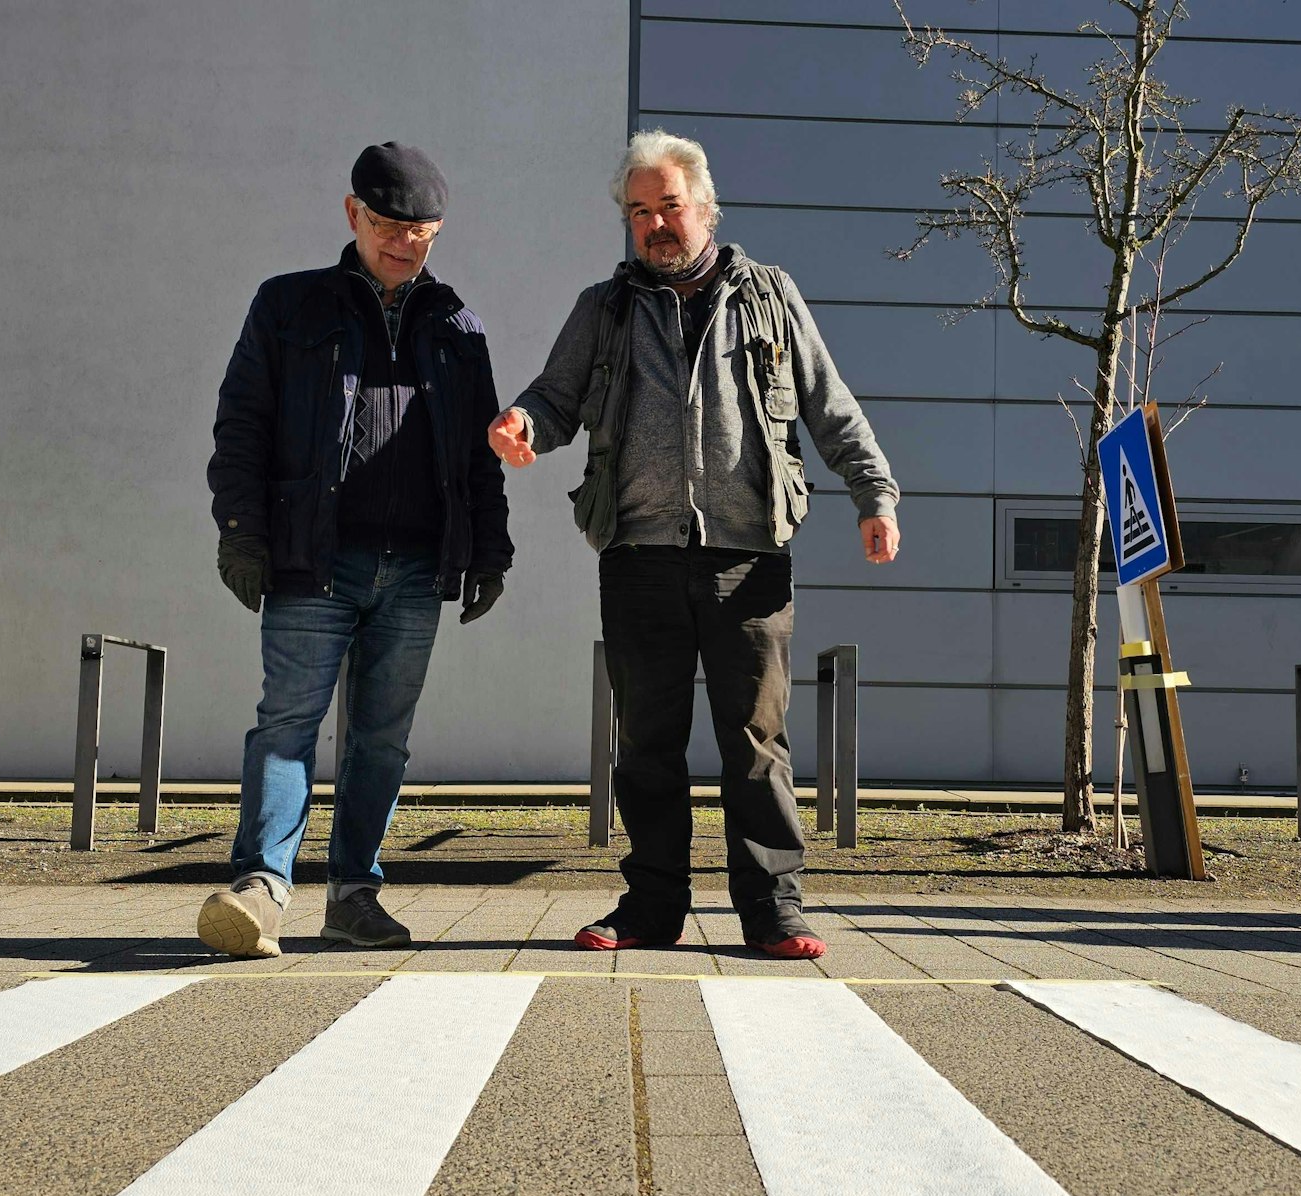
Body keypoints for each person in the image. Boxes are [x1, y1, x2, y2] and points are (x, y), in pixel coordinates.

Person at [488, 129, 900, 960]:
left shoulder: (771, 297)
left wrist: (875, 493)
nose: (654, 224)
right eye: (638, 212)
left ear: (705, 207)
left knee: (755, 744)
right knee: (646, 744)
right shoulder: (602, 309)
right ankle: (650, 909)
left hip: (749, 555)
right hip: (637, 552)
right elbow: (555, 395)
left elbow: (829, 404)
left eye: (668, 206)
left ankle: (773, 910)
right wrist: (523, 421)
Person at [200, 142, 512, 958]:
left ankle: (354, 897)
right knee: (288, 722)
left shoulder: (457, 327)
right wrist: (240, 532)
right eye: (389, 224)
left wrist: (491, 552)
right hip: (317, 560)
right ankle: (262, 889)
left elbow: (480, 454)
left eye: (423, 230)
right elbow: (241, 427)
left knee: (381, 738)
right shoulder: (287, 306)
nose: (405, 242)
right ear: (352, 215)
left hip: (416, 568)